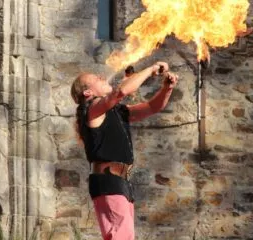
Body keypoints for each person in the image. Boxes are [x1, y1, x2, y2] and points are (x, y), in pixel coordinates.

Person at [70, 61, 179, 240]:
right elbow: (120, 91)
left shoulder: (118, 112)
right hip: (108, 181)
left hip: (120, 182)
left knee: (124, 236)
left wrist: (167, 88)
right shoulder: (92, 110)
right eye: (98, 79)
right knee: (121, 237)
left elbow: (153, 107)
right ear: (88, 93)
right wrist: (150, 69)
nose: (103, 78)